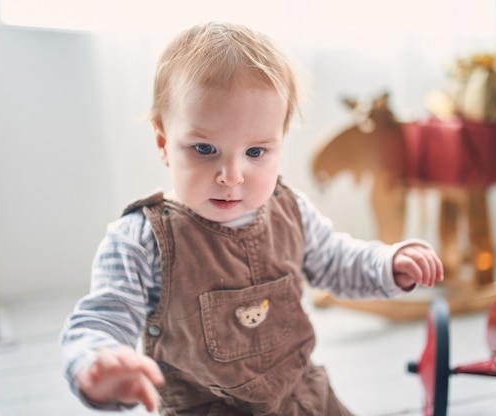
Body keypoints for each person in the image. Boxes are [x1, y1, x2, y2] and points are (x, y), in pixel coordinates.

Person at [60, 21, 444, 416]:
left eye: (256, 152)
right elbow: (102, 317)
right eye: (205, 148)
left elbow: (336, 261)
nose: (232, 175)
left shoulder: (290, 210)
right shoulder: (141, 240)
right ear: (163, 143)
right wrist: (97, 362)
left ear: (280, 141)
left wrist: (387, 264)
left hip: (303, 398)